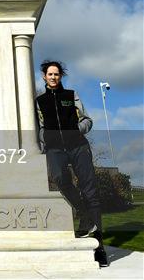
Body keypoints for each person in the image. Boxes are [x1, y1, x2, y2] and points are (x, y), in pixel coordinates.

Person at [35, 60, 108, 267]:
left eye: (56, 74)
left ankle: (99, 248)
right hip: (55, 148)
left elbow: (87, 120)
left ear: (60, 76)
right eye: (50, 74)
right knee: (60, 178)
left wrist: (77, 131)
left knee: (90, 190)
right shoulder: (39, 101)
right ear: (44, 76)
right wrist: (46, 138)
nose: (53, 77)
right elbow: (39, 126)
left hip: (78, 147)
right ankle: (84, 213)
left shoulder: (71, 95)